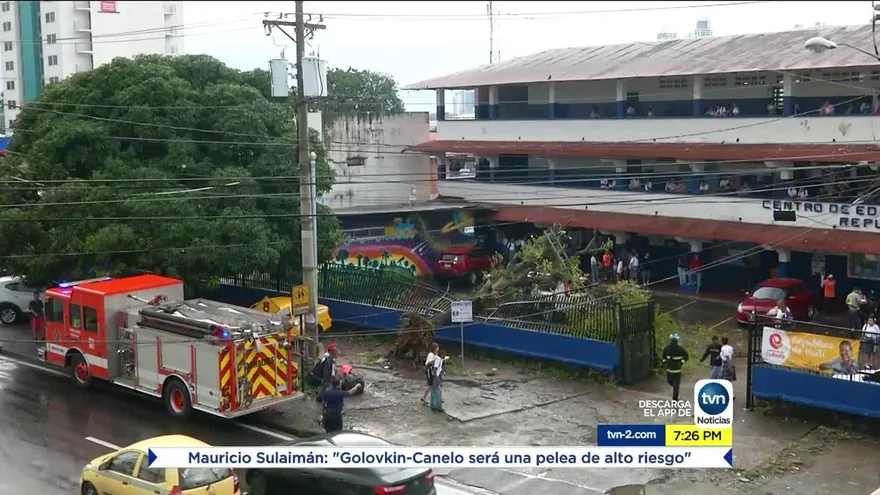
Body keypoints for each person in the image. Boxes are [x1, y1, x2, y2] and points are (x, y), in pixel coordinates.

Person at [662, 333, 689, 401]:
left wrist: (681, 363)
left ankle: (675, 399)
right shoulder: (667, 349)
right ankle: (675, 390)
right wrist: (665, 363)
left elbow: (686, 357)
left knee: (676, 385)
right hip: (669, 370)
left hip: (677, 371)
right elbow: (663, 357)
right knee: (670, 382)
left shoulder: (680, 349)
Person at [430, 345, 449, 412]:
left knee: (433, 391)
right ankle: (438, 407)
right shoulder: (438, 359)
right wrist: (436, 377)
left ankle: (433, 405)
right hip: (436, 376)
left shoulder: (437, 358)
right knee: (438, 392)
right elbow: (435, 368)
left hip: (435, 376)